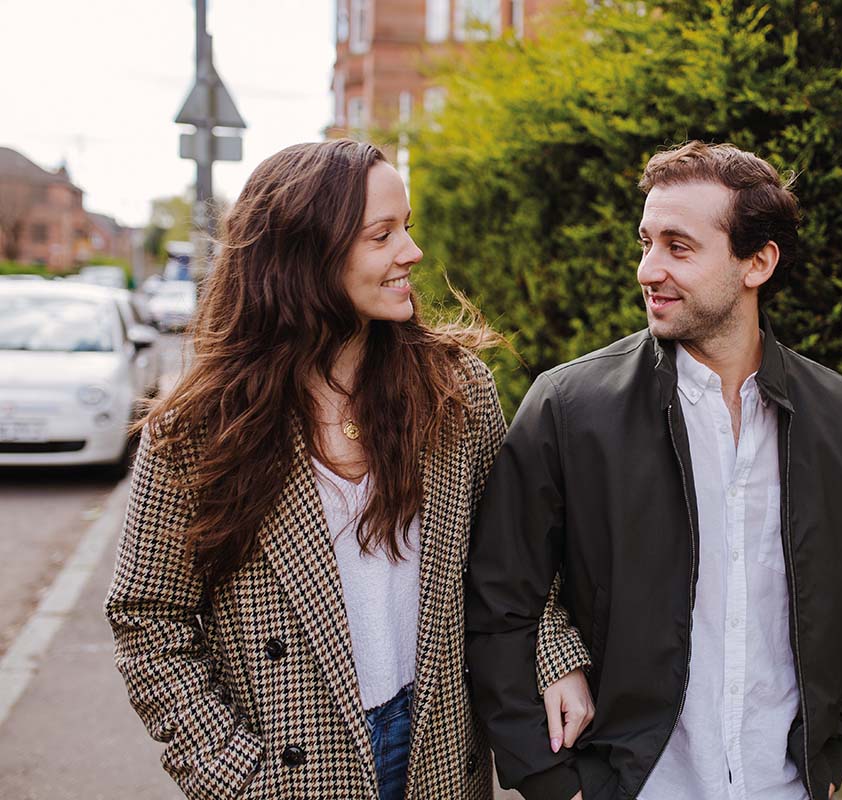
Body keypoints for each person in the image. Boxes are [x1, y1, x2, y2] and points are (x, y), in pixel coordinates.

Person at [105, 140, 590, 800]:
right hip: (288, 764)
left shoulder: (454, 390)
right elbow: (148, 618)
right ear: (305, 255)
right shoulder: (198, 430)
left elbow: (514, 561)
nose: (411, 253)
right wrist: (227, 768)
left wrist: (555, 657)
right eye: (382, 235)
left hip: (439, 742)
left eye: (407, 228)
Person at [465, 141, 842, 800]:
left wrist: (834, 752)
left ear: (758, 262)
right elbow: (498, 604)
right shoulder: (570, 408)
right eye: (646, 243)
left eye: (678, 247)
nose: (648, 269)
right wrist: (552, 782)